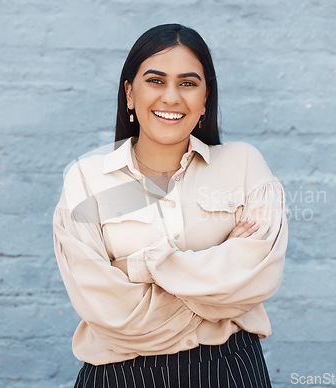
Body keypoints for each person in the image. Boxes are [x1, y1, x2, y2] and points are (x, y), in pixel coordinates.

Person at [53, 23, 288, 388]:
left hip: (227, 371)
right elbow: (105, 308)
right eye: (156, 81)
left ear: (206, 97)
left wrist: (137, 267)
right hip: (119, 376)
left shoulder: (242, 166)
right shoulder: (87, 180)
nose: (172, 97)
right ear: (130, 93)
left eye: (188, 83)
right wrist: (216, 281)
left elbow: (257, 277)